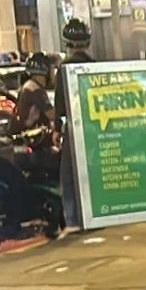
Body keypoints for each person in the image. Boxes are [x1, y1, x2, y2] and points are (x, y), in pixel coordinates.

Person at [53, 17, 93, 230]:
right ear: (88, 41)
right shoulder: (94, 66)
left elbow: (60, 104)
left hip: (72, 128)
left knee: (69, 176)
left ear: (66, 42)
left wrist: (57, 129)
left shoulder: (64, 68)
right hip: (94, 127)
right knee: (92, 171)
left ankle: (73, 220)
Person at [13, 51, 55, 135]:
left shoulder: (30, 85)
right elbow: (52, 115)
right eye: (52, 69)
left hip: (24, 134)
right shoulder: (36, 90)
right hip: (30, 136)